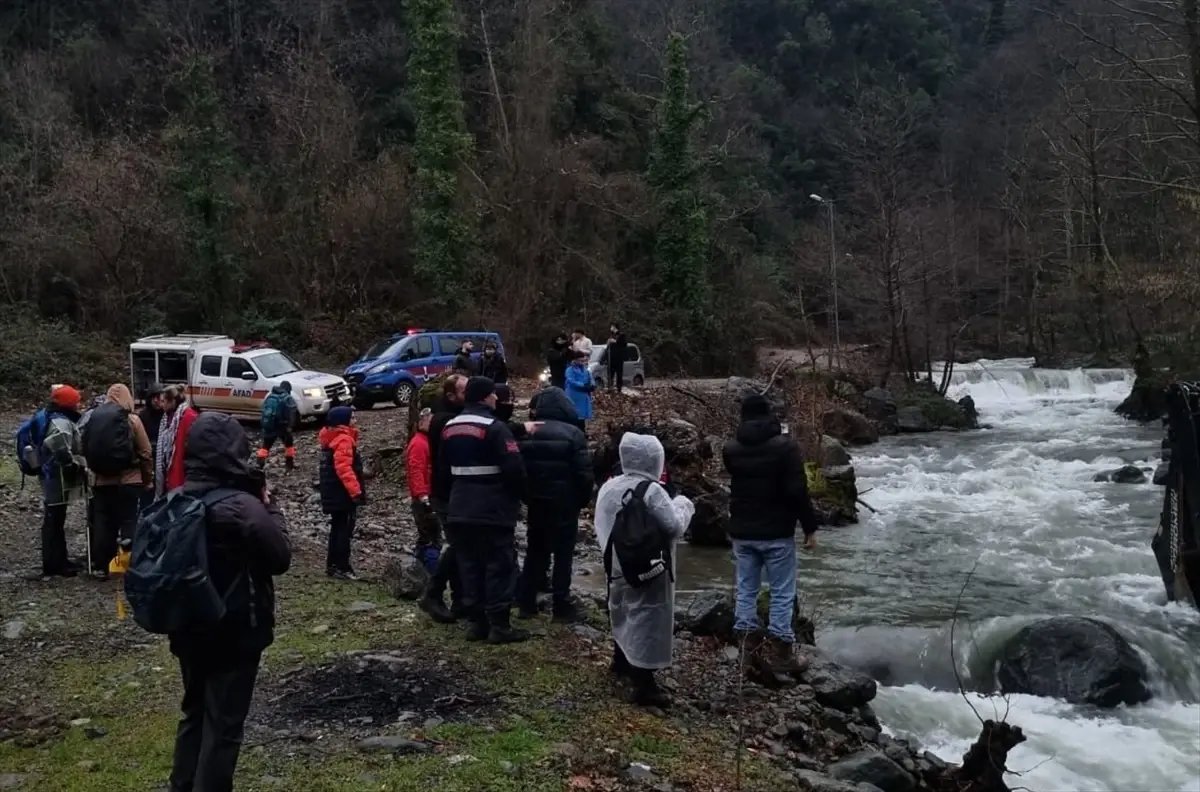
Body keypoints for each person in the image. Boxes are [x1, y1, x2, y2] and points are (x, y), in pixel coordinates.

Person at [168, 413, 290, 792]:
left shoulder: (174, 498)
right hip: (235, 629)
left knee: (195, 712)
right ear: (235, 450)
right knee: (224, 726)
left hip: (186, 625)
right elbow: (280, 557)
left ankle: (182, 785)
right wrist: (270, 506)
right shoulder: (243, 506)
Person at [722, 393, 819, 674]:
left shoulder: (731, 449)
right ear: (769, 415)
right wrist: (809, 527)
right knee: (781, 592)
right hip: (777, 531)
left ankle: (745, 653)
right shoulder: (785, 449)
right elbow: (797, 491)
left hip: (742, 530)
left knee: (745, 590)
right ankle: (782, 653)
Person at [594, 433, 694, 706]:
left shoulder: (609, 486)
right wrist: (684, 505)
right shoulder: (652, 491)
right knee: (647, 617)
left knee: (620, 608)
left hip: (615, 563)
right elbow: (673, 527)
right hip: (646, 565)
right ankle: (644, 683)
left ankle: (621, 662)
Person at [437, 376, 528, 643]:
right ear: (485, 397)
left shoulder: (450, 427)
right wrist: (522, 498)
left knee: (470, 566)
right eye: (492, 394)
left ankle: (476, 624)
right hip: (492, 509)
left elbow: (443, 471)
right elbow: (514, 470)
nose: (496, 398)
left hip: (459, 507)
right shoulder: (495, 428)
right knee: (498, 565)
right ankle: (499, 626)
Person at [516, 387, 593, 622]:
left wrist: (527, 497)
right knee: (563, 555)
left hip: (538, 502)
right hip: (565, 504)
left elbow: (520, 472)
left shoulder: (527, 433)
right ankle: (561, 606)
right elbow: (584, 474)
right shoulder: (573, 434)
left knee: (535, 551)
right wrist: (581, 501)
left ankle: (526, 603)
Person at [86, 384, 153, 579]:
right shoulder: (132, 420)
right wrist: (147, 479)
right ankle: (126, 566)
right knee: (129, 521)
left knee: (103, 523)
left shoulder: (94, 418)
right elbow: (146, 453)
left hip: (101, 482)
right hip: (129, 481)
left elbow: (84, 447)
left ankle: (101, 566)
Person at [419, 374, 468, 623]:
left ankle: (460, 600)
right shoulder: (446, 421)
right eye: (463, 391)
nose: (468, 394)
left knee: (459, 545)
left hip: (449, 490)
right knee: (458, 544)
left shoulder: (445, 417)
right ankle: (434, 593)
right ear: (451, 396)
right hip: (447, 491)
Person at [37, 385, 86, 578]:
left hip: (50, 475)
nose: (78, 405)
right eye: (76, 402)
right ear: (69, 404)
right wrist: (74, 465)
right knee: (54, 521)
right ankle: (54, 564)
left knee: (55, 519)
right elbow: (61, 450)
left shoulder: (51, 416)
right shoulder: (61, 423)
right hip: (55, 477)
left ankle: (59, 560)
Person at [318, 406, 364, 580]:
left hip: (333, 492)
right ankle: (342, 566)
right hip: (342, 493)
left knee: (336, 528)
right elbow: (344, 468)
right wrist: (356, 492)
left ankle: (333, 565)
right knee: (344, 529)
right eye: (352, 418)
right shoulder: (344, 439)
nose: (355, 420)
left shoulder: (331, 438)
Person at [407, 407, 440, 573]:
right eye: (429, 421)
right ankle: (431, 575)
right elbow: (416, 471)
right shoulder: (419, 443)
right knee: (431, 538)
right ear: (421, 423)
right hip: (424, 498)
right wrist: (423, 496)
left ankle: (417, 571)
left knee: (427, 537)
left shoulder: (428, 441)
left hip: (429, 494)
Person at [157, 386, 198, 497]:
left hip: (181, 475)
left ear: (172, 401)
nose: (161, 405)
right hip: (171, 475)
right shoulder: (167, 418)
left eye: (163, 401)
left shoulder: (189, 417)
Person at [256, 381, 297, 472]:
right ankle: (289, 465)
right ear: (288, 389)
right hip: (283, 425)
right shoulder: (287, 398)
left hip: (270, 425)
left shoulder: (270, 396)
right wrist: (290, 426)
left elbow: (264, 410)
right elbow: (292, 412)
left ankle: (259, 464)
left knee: (266, 446)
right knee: (288, 445)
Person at [138, 383, 166, 511]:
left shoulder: (167, 416)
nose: (156, 400)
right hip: (147, 458)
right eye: (153, 397)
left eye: (158, 397)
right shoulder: (142, 416)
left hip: (162, 457)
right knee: (147, 496)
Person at [565, 350, 595, 431]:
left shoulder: (585, 370)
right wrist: (583, 385)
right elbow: (571, 381)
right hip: (574, 395)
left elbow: (590, 377)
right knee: (575, 415)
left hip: (584, 395)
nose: (583, 362)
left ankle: (582, 431)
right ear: (575, 360)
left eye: (584, 360)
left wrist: (592, 385)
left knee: (582, 416)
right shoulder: (570, 370)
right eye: (581, 360)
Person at [606, 324, 629, 392]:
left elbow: (624, 344)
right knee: (610, 373)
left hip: (619, 358)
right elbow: (608, 347)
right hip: (611, 358)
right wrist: (608, 343)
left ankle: (619, 388)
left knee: (619, 373)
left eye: (612, 327)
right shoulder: (611, 336)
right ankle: (610, 387)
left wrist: (615, 341)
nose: (611, 328)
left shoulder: (621, 335)